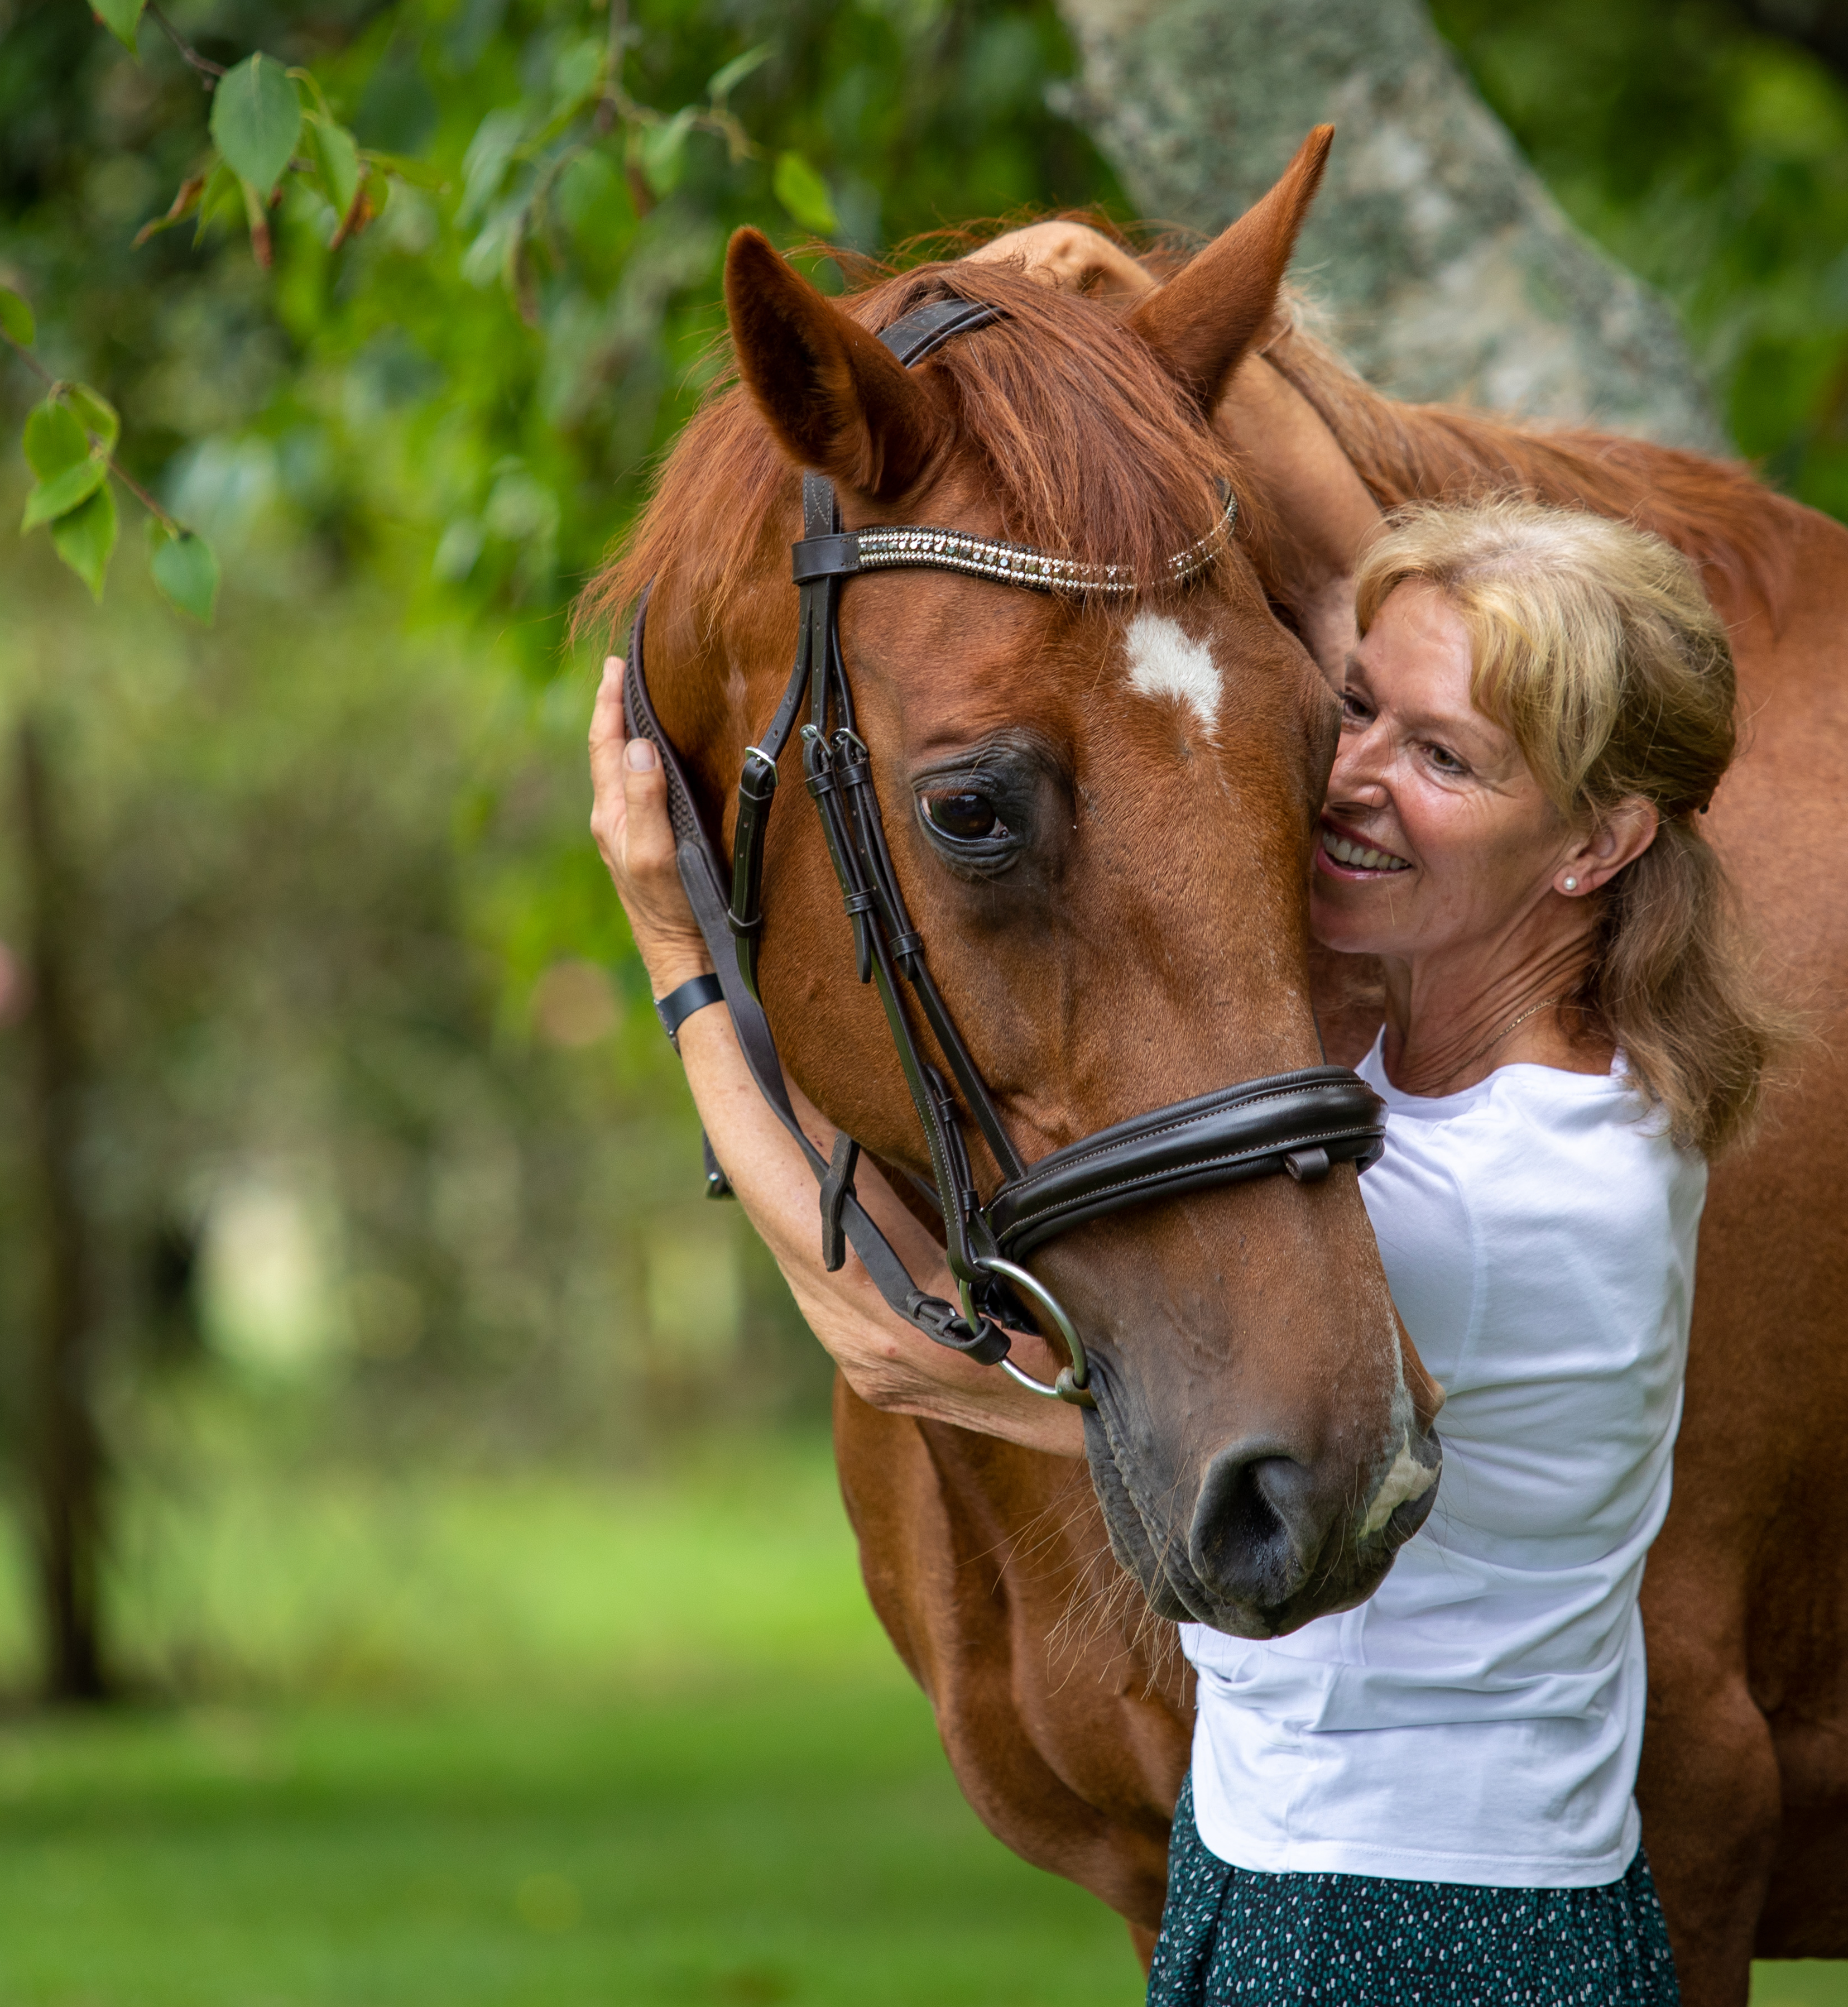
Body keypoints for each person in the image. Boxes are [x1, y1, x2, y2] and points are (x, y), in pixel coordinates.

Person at [591, 471, 1774, 2003]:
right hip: (1353, 1868)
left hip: (1396, 1926)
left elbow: (896, 1347)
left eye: (1442, 757)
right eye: (1355, 711)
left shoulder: (1483, 1206)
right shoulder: (1536, 1078)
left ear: (1591, 845)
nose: (1351, 778)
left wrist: (678, 956)